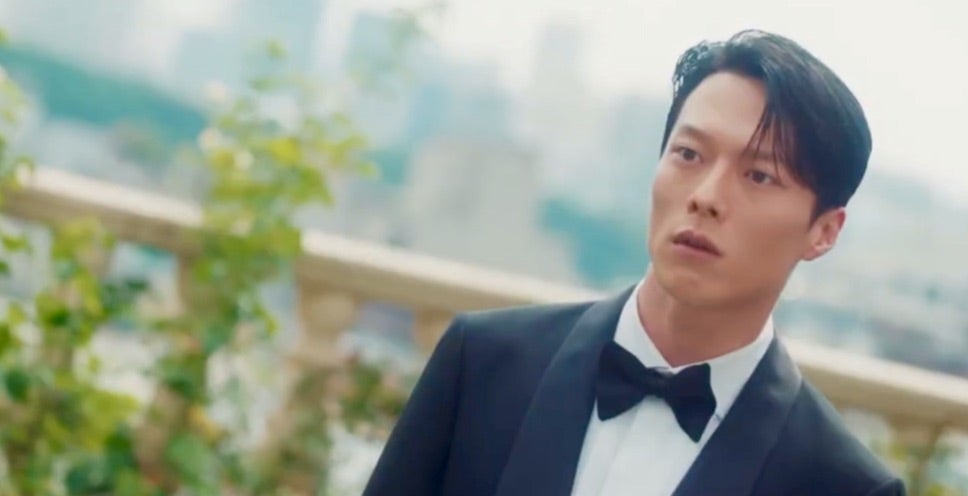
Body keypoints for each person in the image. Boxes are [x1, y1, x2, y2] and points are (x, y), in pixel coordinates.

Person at [363, 29, 906, 496]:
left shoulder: (843, 484)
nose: (706, 196)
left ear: (824, 231)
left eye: (759, 176)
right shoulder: (483, 362)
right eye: (689, 155)